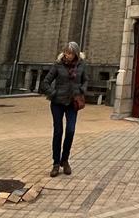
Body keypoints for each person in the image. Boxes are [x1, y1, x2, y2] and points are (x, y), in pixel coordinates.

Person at [43, 41, 88, 177]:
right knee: (58, 131)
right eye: (66, 53)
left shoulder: (81, 66)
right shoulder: (58, 65)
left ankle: (65, 160)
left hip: (72, 103)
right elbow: (45, 82)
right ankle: (56, 163)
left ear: (75, 54)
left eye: (71, 53)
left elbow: (85, 80)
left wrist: (81, 90)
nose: (68, 55)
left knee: (70, 130)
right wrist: (53, 93)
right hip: (57, 103)